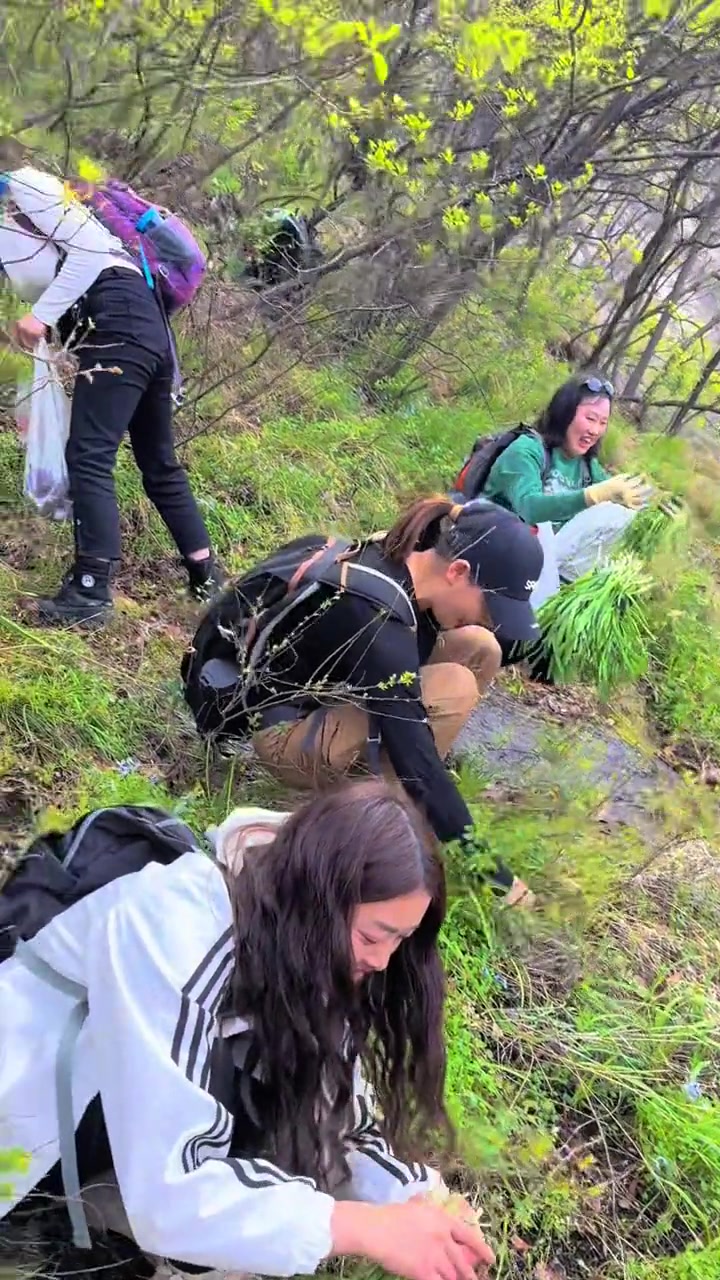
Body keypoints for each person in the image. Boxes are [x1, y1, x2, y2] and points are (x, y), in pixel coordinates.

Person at [0, 781, 495, 1280]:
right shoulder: (173, 922)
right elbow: (170, 1190)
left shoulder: (309, 945)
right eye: (372, 936)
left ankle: (112, 1208)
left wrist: (418, 1198)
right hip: (37, 1117)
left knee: (290, 1103)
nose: (382, 960)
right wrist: (358, 1225)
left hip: (124, 1113)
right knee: (250, 1143)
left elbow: (336, 1121)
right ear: (320, 900)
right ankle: (91, 1210)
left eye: (400, 941)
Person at [183, 495, 544, 904]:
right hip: (283, 734)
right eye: (488, 606)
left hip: (334, 697)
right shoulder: (377, 617)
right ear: (458, 571)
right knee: (454, 688)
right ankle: (373, 828)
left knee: (481, 648)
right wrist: (495, 876)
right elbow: (419, 767)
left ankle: (383, 779)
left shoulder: (405, 559)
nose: (487, 618)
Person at [0, 160, 222, 625]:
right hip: (139, 327)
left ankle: (90, 590)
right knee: (158, 462)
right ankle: (207, 576)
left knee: (88, 455)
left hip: (119, 317)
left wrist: (40, 316)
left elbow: (89, 252)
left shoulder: (24, 186)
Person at [481, 375, 652, 608]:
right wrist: (592, 496)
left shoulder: (587, 467)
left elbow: (615, 507)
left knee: (620, 515)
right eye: (590, 418)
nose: (595, 430)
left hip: (541, 563)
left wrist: (649, 508)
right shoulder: (527, 450)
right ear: (565, 413)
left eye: (603, 423)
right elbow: (528, 507)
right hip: (494, 548)